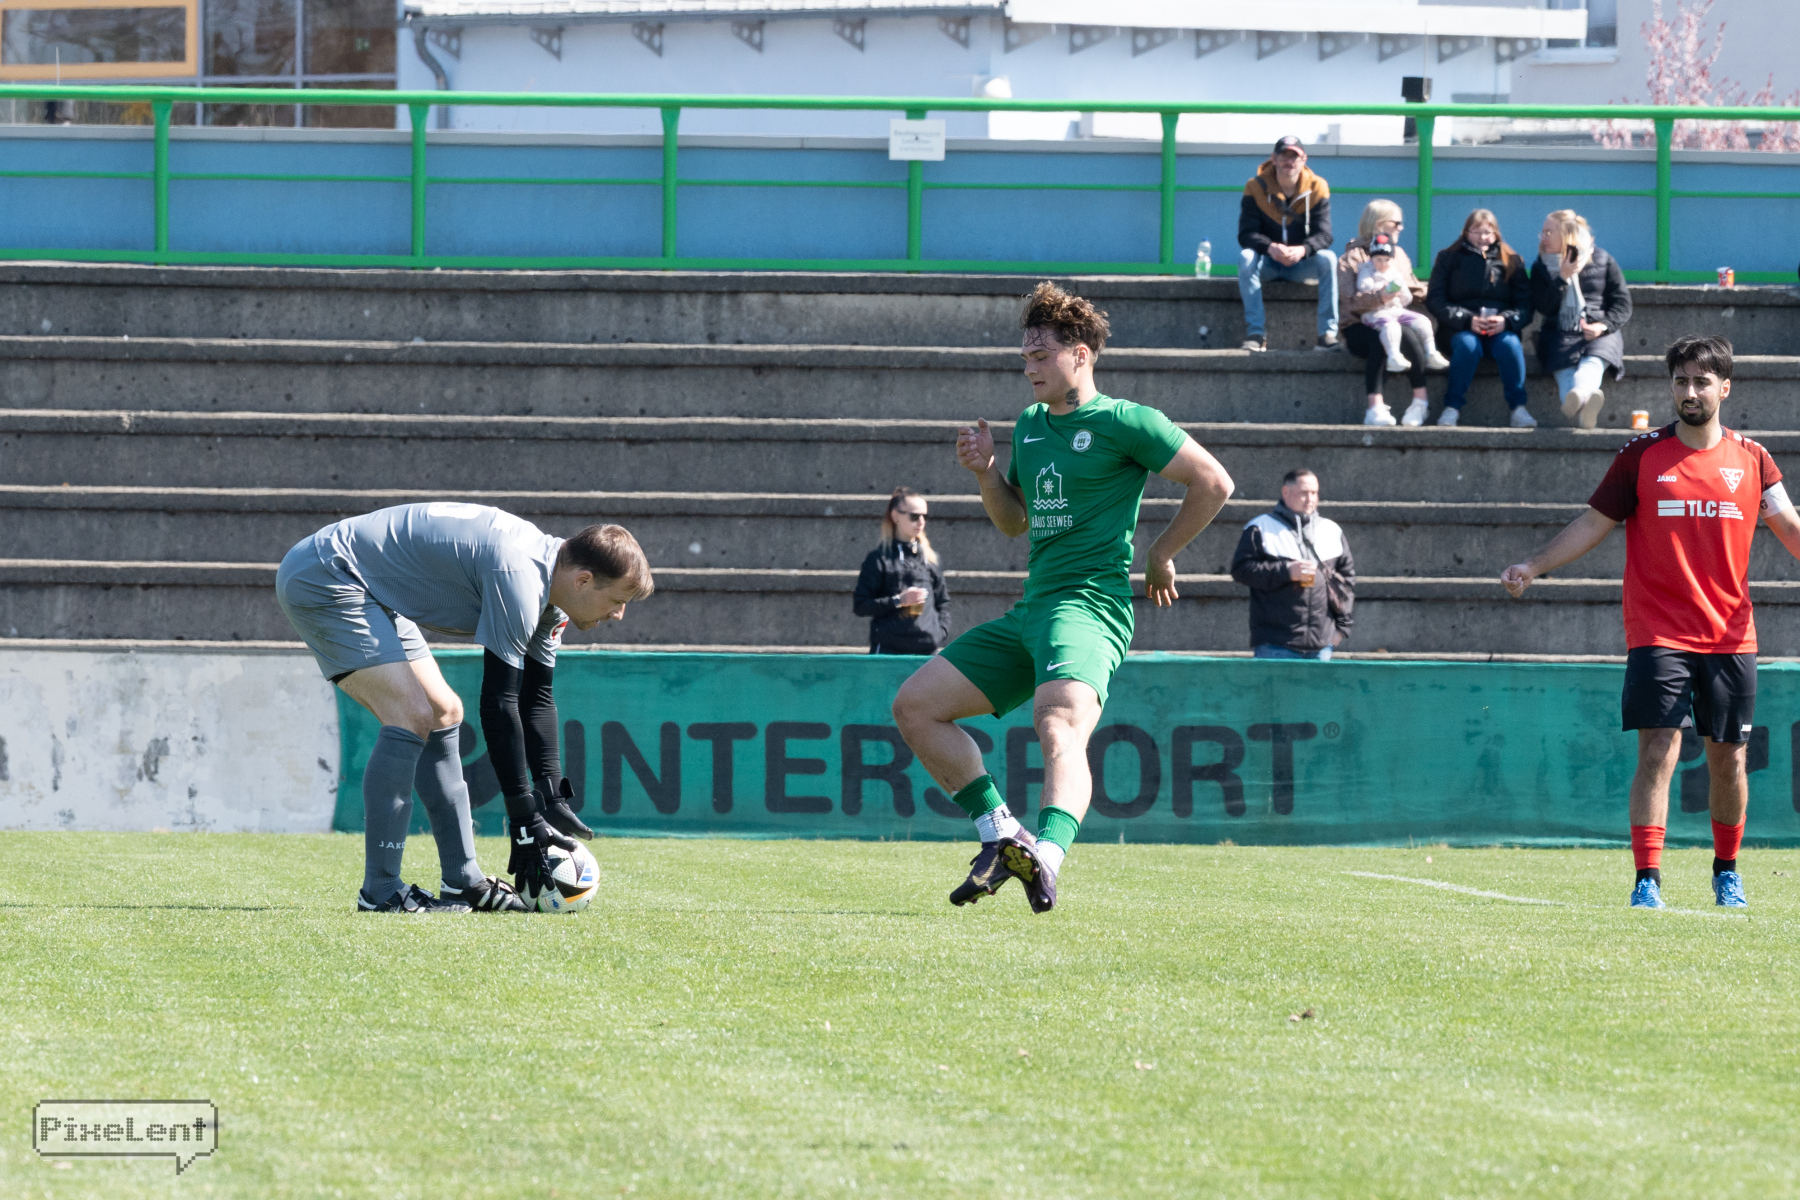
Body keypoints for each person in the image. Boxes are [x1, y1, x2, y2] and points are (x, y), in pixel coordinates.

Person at [891, 282, 1234, 913]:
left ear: (1080, 355)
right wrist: (986, 473)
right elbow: (1014, 522)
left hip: (1089, 607)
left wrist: (1161, 553)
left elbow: (1214, 482)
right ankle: (1002, 834)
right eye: (1025, 356)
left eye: (1041, 355)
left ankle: (1046, 858)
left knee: (1056, 724)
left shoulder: (1127, 421)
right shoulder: (1029, 425)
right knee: (915, 706)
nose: (1029, 368)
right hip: (1033, 609)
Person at [1501, 336, 1800, 910]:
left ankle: (1727, 872)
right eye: (1681, 380)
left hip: (1730, 634)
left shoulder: (1754, 459)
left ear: (1725, 387)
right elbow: (1593, 523)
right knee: (1658, 749)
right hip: (1658, 632)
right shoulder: (1640, 456)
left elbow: (1787, 525)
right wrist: (1534, 565)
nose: (1690, 391)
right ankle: (1647, 879)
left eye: (1701, 381)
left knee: (1728, 758)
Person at [275, 503, 654, 913]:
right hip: (327, 573)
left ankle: (463, 881)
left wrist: (550, 795)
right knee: (411, 716)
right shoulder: (520, 577)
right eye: (618, 600)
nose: (619, 614)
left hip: (366, 584)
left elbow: (537, 697)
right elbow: (499, 702)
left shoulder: (553, 594)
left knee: (444, 712)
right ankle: (380, 891)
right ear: (583, 580)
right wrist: (523, 818)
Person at [1337, 199, 1446, 427]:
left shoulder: (1399, 254)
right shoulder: (1352, 258)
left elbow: (1413, 288)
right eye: (1396, 223)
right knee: (1381, 339)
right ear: (1379, 225)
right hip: (1358, 324)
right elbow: (1350, 301)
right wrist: (1381, 296)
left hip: (1393, 315)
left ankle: (1419, 403)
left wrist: (1442, 297)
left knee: (1411, 332)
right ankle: (1375, 407)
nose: (1401, 228)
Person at [1230, 468, 1353, 660]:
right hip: (1275, 643)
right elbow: (1241, 570)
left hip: (1322, 645)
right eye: (1304, 493)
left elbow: (1346, 581)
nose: (1310, 499)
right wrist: (1286, 571)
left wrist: (1341, 630)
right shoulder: (1260, 527)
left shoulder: (1331, 530)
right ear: (1285, 492)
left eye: (1314, 493)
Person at [1427, 209, 1534, 428]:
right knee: (1468, 345)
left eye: (1487, 232)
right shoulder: (1448, 258)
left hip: (1499, 329)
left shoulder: (1512, 261)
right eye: (1476, 232)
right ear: (1466, 232)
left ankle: (1518, 409)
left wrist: (1506, 321)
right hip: (1459, 329)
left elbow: (1525, 305)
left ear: (1496, 234)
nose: (1482, 237)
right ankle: (1452, 408)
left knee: (1510, 345)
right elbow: (1435, 299)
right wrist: (1467, 320)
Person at [1531, 209, 1633, 430]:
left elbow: (1623, 303)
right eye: (1543, 232)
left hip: (1600, 331)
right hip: (1558, 332)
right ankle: (1585, 406)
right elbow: (1543, 307)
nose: (1543, 237)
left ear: (1566, 236)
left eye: (1549, 232)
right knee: (1564, 371)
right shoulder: (1541, 266)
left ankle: (1580, 396)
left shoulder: (1602, 259)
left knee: (1592, 364)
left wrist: (1603, 326)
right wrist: (1562, 278)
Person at [1236, 135, 1338, 353]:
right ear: (1273, 159)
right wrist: (1270, 247)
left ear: (1304, 160)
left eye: (1294, 156)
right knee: (1246, 257)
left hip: (1301, 264)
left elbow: (1325, 235)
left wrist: (1303, 250)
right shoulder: (1255, 186)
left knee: (1328, 259)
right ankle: (1256, 334)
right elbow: (1246, 234)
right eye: (1283, 156)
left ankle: (1327, 334)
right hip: (1268, 263)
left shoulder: (1318, 187)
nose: (1288, 161)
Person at [853, 487, 950, 655]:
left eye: (925, 516)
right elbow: (861, 605)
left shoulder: (930, 558)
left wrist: (939, 633)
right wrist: (899, 600)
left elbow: (943, 602)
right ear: (895, 516)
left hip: (926, 650)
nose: (921, 522)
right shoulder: (878, 558)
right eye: (914, 516)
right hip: (888, 650)